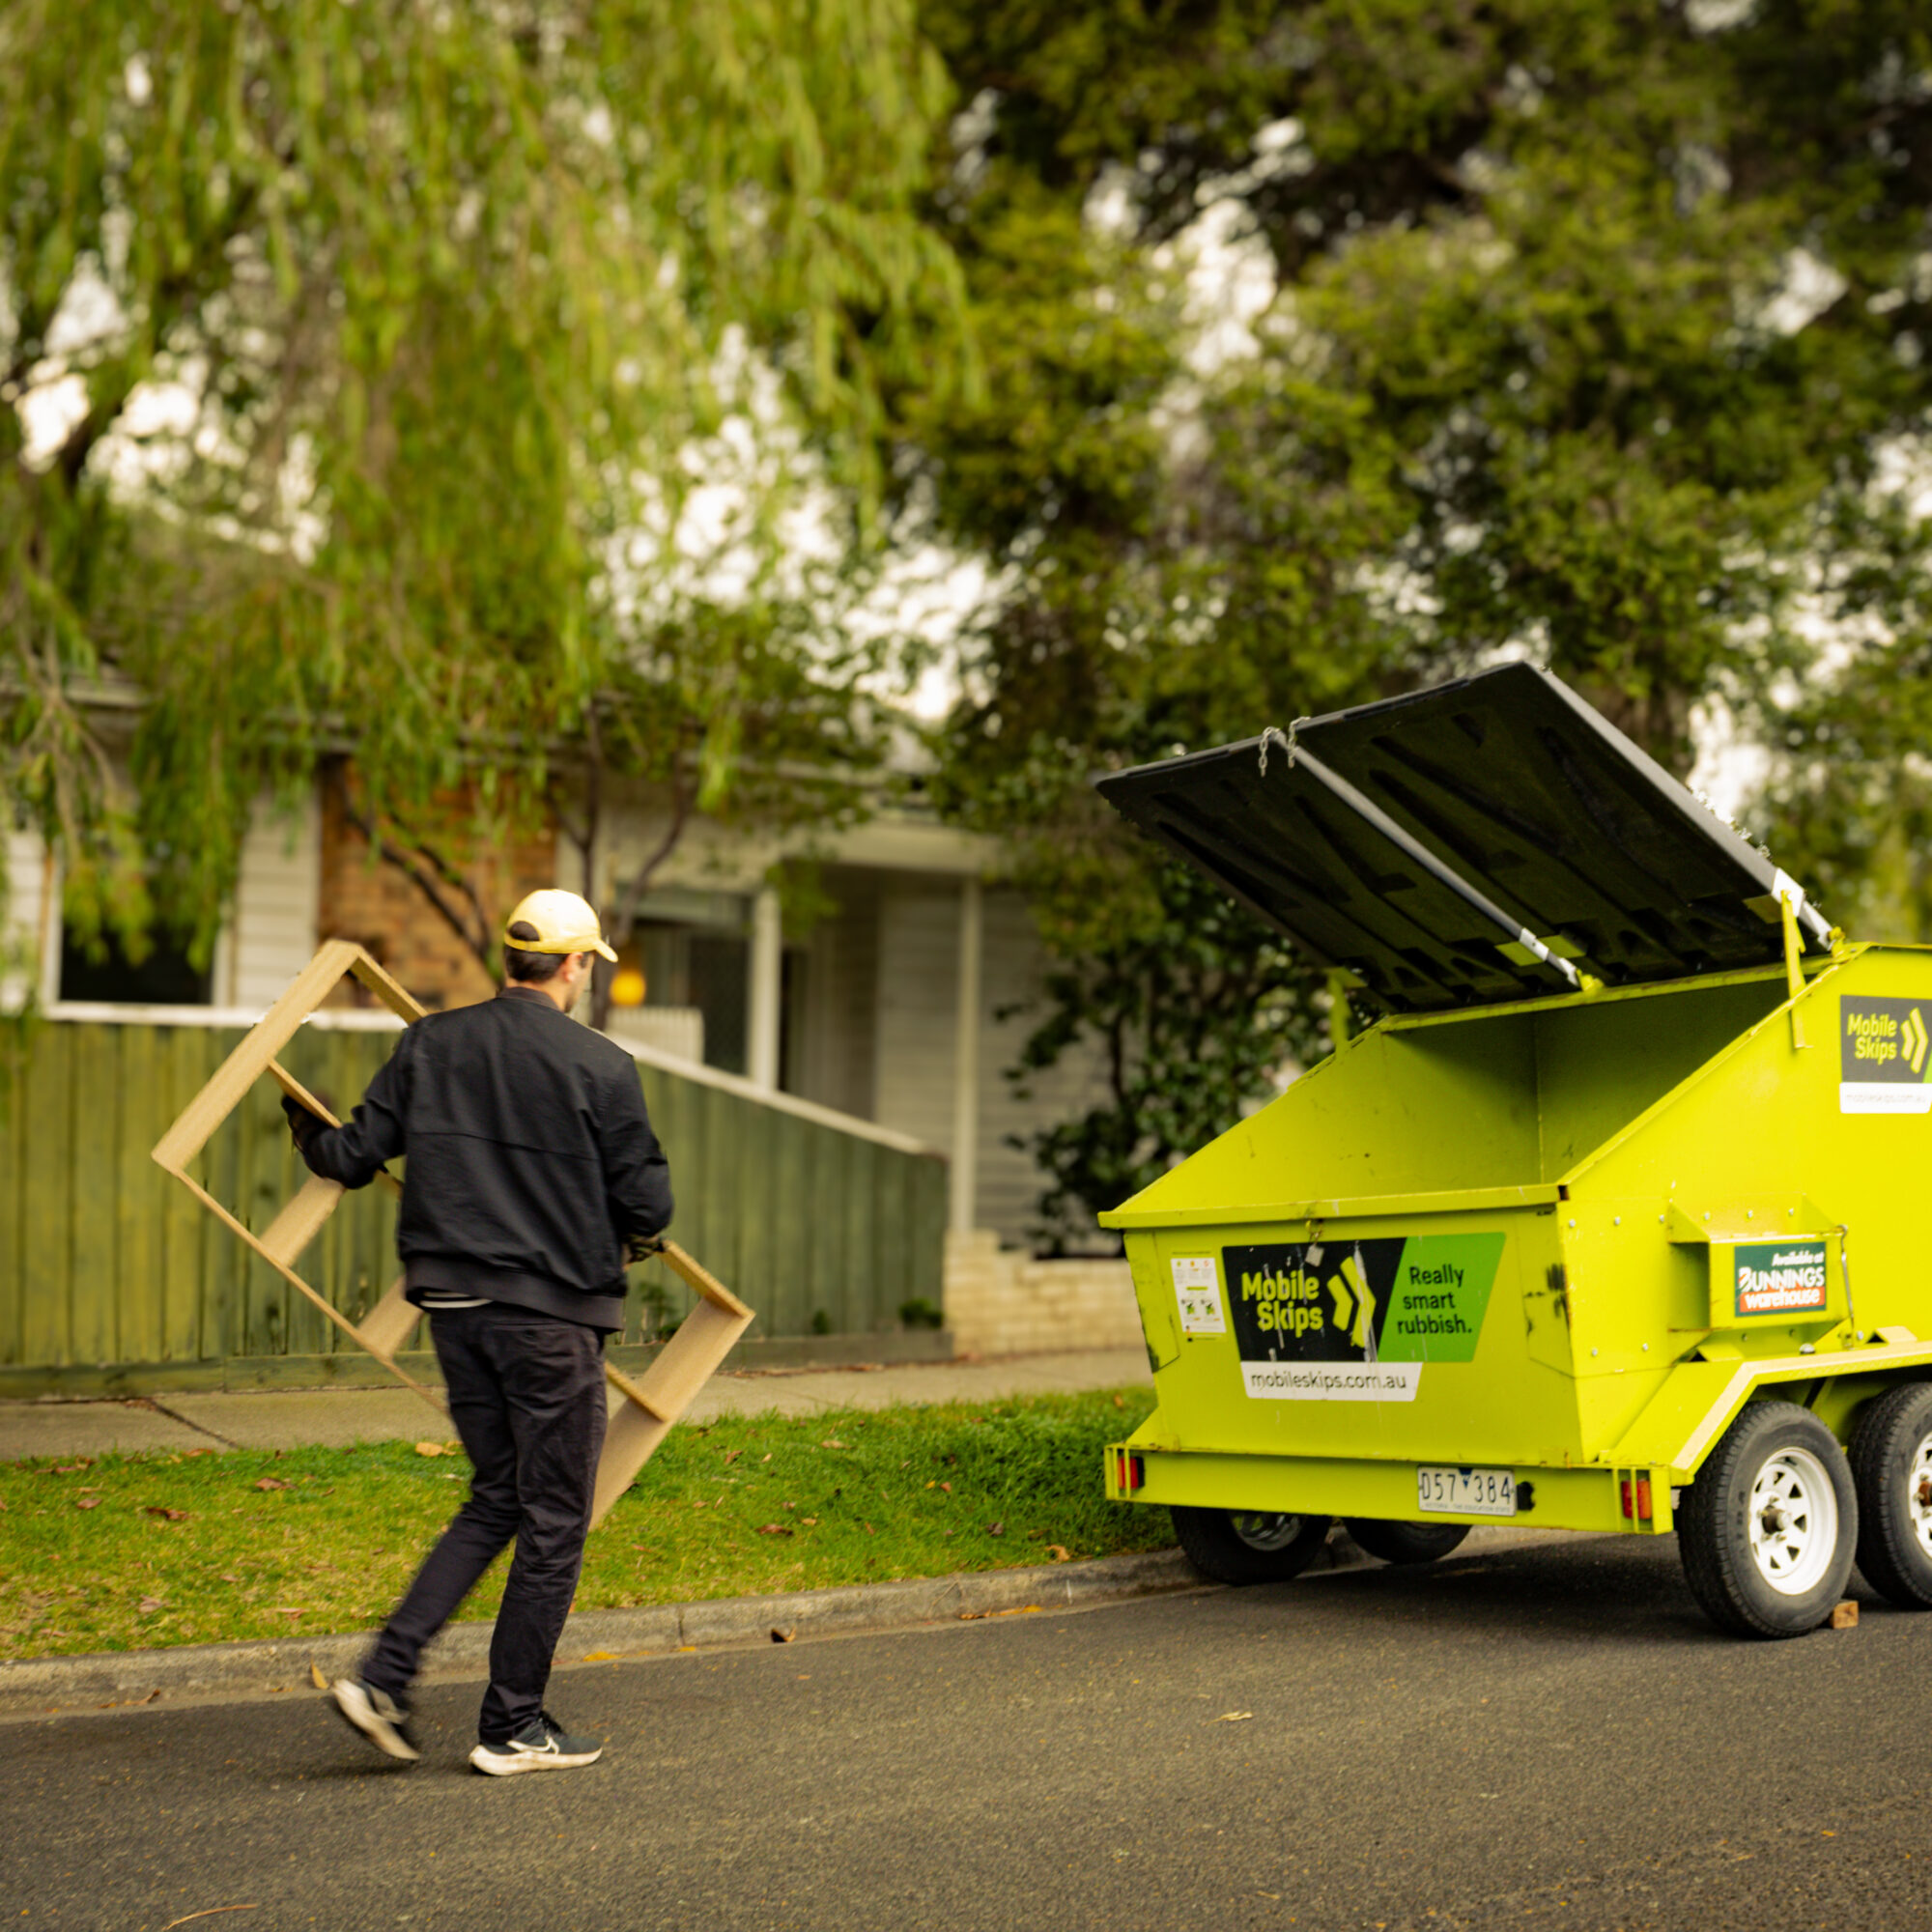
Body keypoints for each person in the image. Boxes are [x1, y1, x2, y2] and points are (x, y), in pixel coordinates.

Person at [283, 889, 672, 1775]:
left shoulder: (432, 1043)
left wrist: (306, 1122)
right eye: (586, 966)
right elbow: (651, 1206)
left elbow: (349, 1157)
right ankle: (513, 1724)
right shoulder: (601, 1067)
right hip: (550, 1323)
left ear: (512, 960)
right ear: (572, 966)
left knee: (500, 1493)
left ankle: (384, 1678)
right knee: (554, 1517)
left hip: (454, 1311)